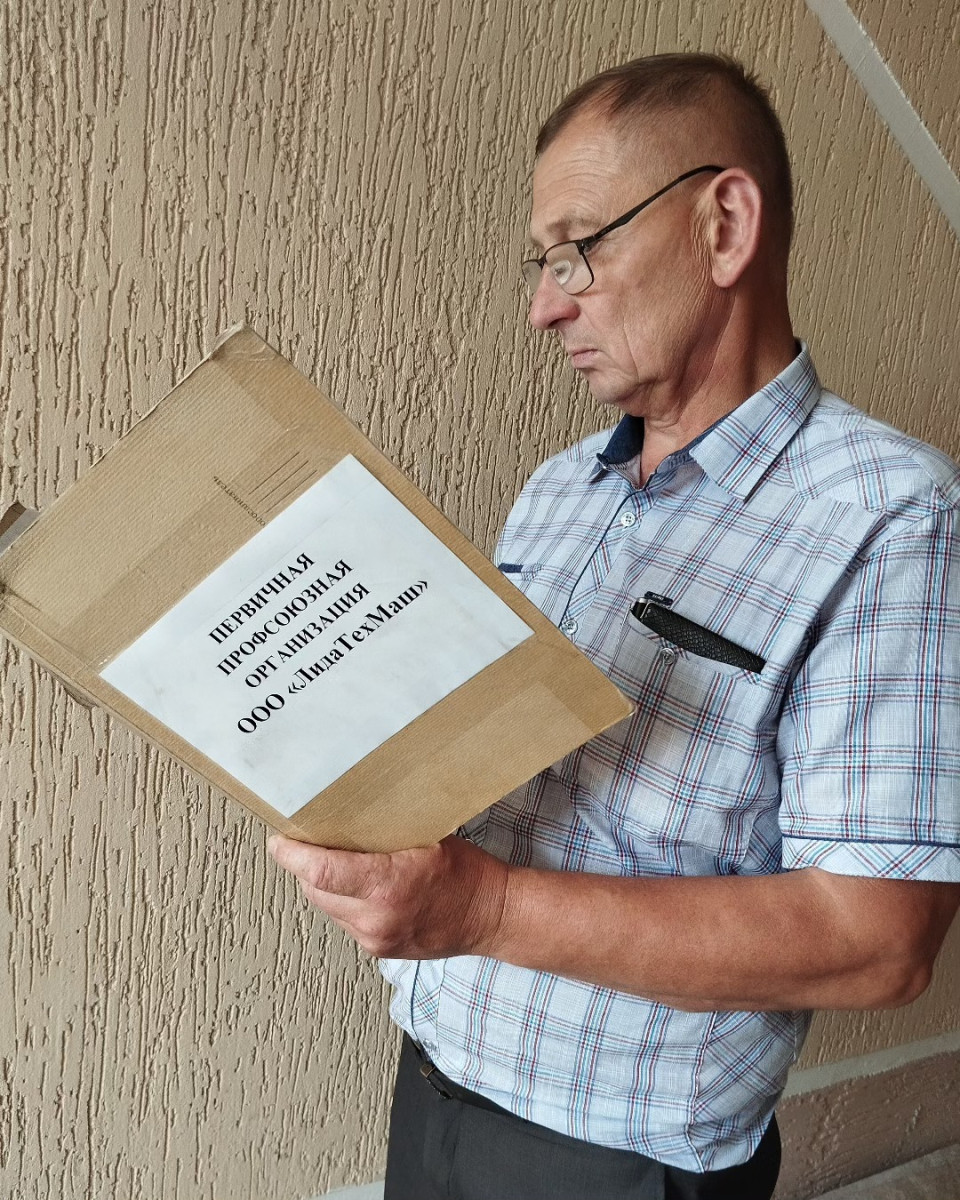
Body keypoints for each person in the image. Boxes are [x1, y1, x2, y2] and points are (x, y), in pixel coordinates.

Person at [269, 53, 960, 1199]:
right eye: (543, 264)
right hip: (432, 1080)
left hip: (619, 1162)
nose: (546, 306)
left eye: (577, 250)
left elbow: (879, 942)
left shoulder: (892, 514)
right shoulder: (557, 490)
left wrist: (481, 908)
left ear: (724, 226)